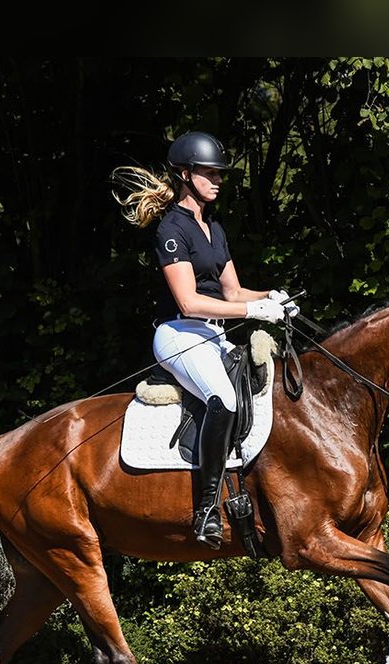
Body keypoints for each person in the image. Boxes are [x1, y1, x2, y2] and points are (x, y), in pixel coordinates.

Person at [111, 130, 299, 548]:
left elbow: (232, 293)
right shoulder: (171, 230)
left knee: (258, 389)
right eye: (209, 173)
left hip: (212, 334)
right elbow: (190, 302)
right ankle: (206, 510)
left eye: (218, 173)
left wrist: (270, 296)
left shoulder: (214, 227)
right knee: (224, 399)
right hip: (178, 333)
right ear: (185, 174)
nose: (217, 180)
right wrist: (252, 312)